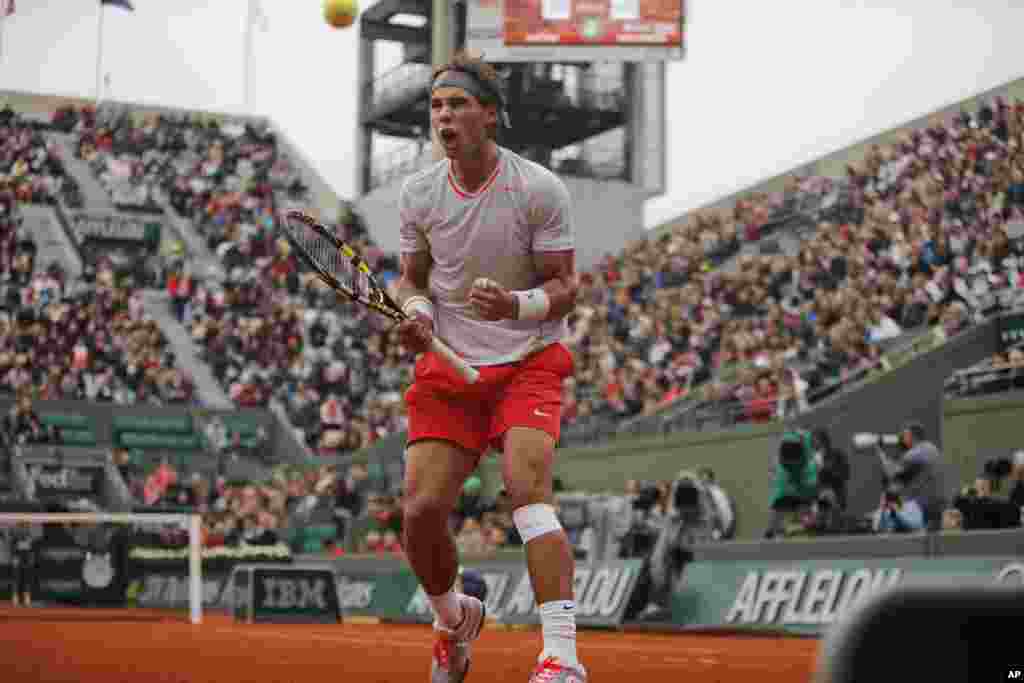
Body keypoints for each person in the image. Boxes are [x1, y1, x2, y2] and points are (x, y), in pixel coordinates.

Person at [394, 50, 585, 683]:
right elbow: (410, 281)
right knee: (419, 513)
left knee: (529, 493)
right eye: (437, 107)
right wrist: (416, 312)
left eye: (458, 105)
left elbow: (565, 286)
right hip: (449, 367)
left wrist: (515, 304)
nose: (444, 117)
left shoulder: (538, 188)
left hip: (527, 359)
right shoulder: (418, 193)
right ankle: (454, 620)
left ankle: (561, 658)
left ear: (490, 117)